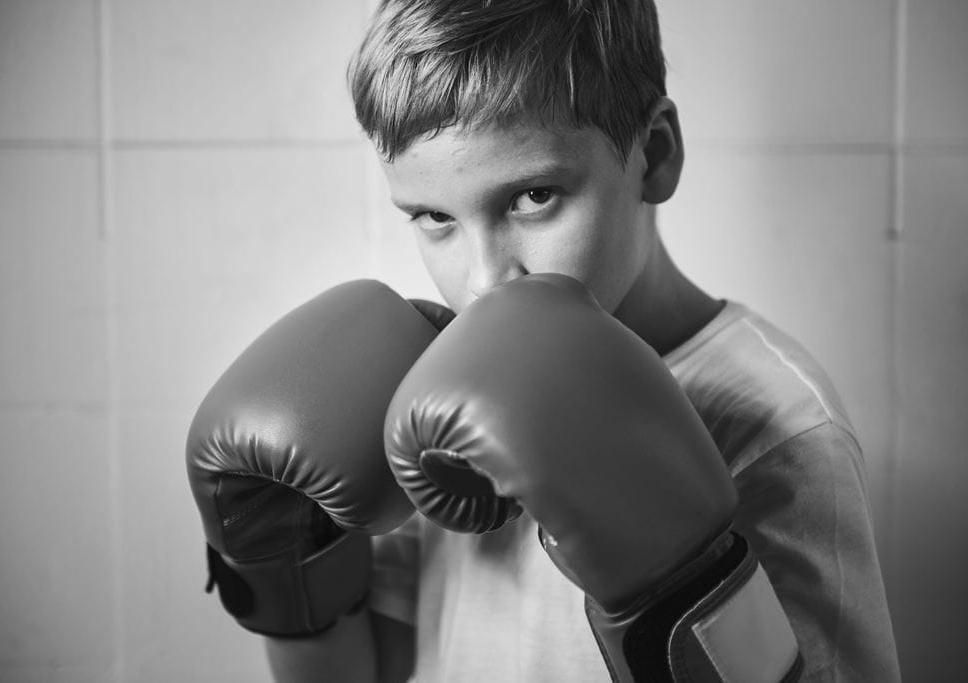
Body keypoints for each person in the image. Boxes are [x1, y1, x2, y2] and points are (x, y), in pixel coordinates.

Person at [190, 1, 901, 680]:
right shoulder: (426, 393)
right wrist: (285, 571)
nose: (483, 279)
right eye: (434, 216)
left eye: (531, 197)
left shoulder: (775, 420)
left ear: (651, 155)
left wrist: (681, 593)